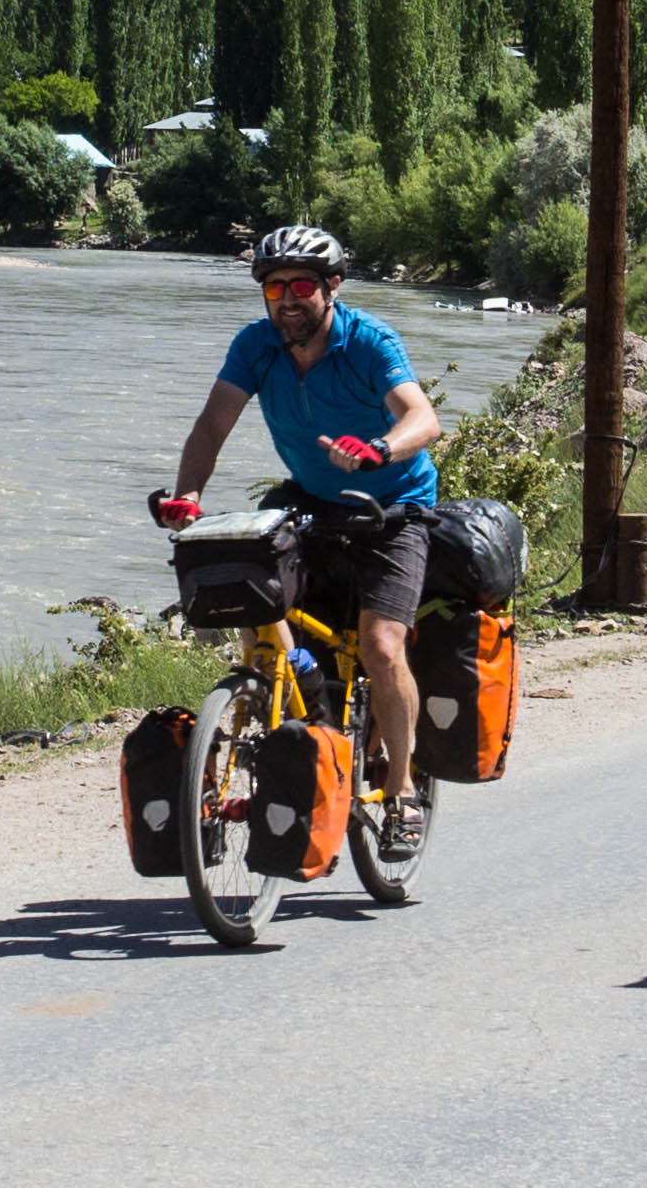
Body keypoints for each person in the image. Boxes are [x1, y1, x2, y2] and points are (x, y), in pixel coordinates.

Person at [151, 224, 446, 852]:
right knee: (244, 584)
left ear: (332, 287)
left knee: (381, 644)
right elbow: (212, 423)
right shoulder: (256, 346)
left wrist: (378, 450)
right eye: (275, 287)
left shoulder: (368, 341)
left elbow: (423, 417)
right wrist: (190, 496)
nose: (287, 298)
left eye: (303, 285)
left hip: (393, 505)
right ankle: (299, 681)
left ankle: (401, 790)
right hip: (312, 498)